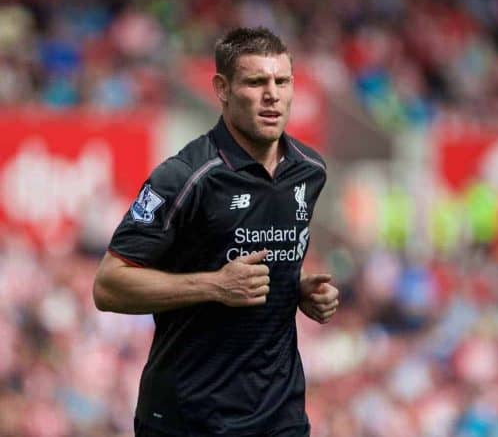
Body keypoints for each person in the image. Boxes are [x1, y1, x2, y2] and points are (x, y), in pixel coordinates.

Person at [93, 27, 339, 437]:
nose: (272, 95)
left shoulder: (310, 171)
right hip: (189, 418)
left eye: (282, 81)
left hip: (280, 415)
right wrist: (214, 286)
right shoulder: (185, 176)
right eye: (256, 82)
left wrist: (296, 289)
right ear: (222, 89)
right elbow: (108, 286)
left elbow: (254, 261)